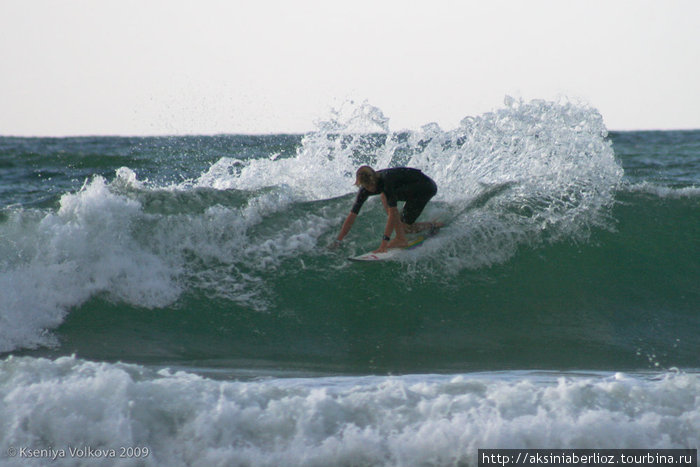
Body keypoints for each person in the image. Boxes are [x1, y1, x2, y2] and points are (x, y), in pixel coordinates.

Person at [335, 165, 439, 252]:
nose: (371, 188)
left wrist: (384, 244)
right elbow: (352, 216)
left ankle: (400, 238)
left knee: (385, 195)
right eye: (367, 186)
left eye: (372, 184)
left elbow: (393, 213)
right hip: (409, 188)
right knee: (405, 228)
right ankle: (433, 226)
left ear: (374, 178)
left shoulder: (386, 181)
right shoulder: (364, 189)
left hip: (425, 188)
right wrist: (338, 241)